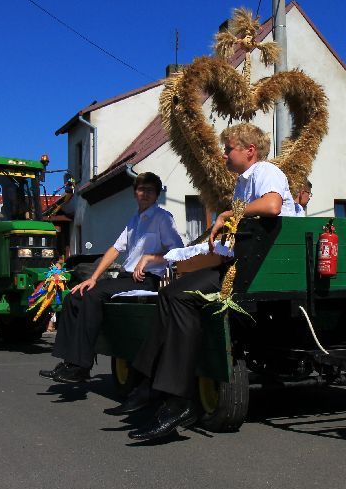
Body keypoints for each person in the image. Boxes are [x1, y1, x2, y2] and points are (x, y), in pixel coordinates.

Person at [111, 122, 295, 441]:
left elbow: (272, 206)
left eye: (229, 148)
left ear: (249, 151)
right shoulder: (243, 183)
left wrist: (227, 215)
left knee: (180, 296)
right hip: (246, 263)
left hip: (265, 268)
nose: (224, 154)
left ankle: (174, 397)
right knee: (172, 295)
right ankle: (153, 384)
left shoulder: (265, 171)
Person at [39, 172, 183, 384]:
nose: (145, 194)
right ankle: (69, 360)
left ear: (157, 194)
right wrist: (93, 278)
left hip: (146, 279)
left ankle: (82, 365)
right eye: (141, 189)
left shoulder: (162, 218)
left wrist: (150, 258)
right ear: (135, 193)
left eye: (150, 190)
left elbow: (178, 251)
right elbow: (115, 250)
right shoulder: (134, 220)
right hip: (126, 278)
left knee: (93, 296)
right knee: (75, 295)